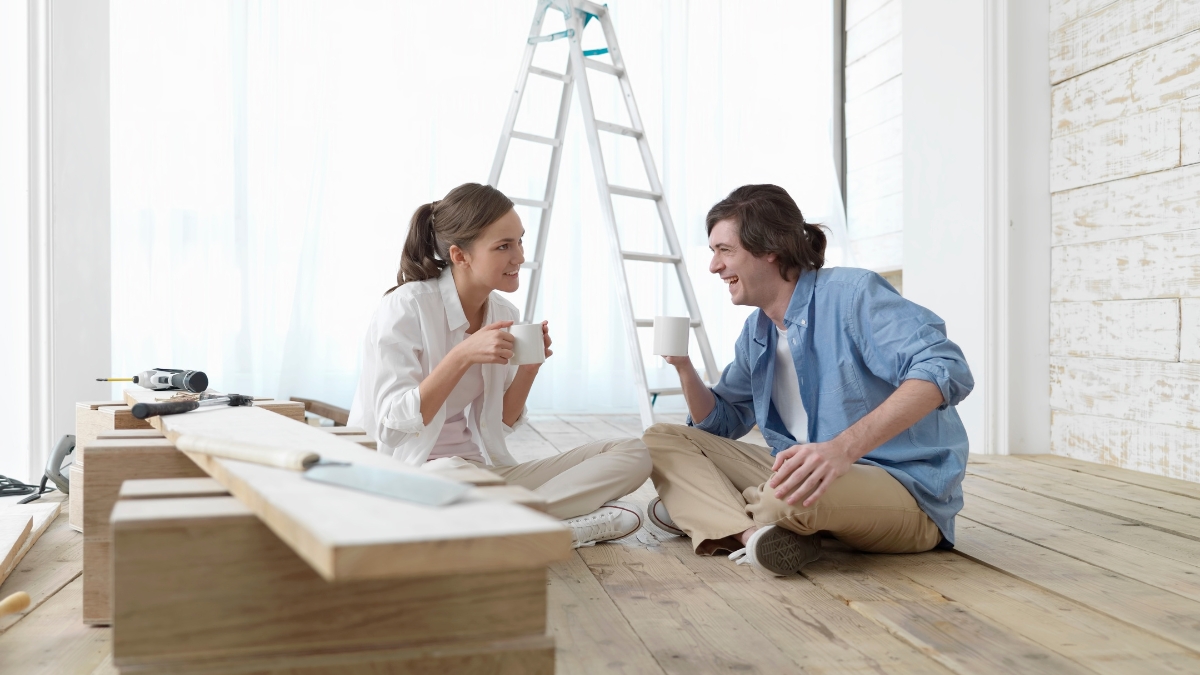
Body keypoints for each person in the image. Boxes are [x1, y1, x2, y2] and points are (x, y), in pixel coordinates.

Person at [643, 184, 973, 575]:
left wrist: (841, 449)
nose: (714, 266)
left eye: (724, 250)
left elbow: (944, 367)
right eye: (713, 252)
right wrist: (683, 367)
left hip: (904, 491)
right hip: (806, 476)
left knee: (783, 499)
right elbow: (721, 423)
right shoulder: (757, 331)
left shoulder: (852, 295)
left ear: (770, 249)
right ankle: (752, 535)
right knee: (662, 439)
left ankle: (709, 509)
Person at [348, 183, 650, 547]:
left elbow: (500, 422)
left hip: (484, 474)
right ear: (460, 256)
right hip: (415, 471)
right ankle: (550, 523)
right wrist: (462, 355)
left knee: (634, 453)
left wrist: (529, 368)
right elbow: (391, 426)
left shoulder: (504, 313)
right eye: (503, 246)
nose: (519, 256)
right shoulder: (407, 306)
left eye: (520, 241)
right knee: (449, 471)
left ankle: (523, 522)